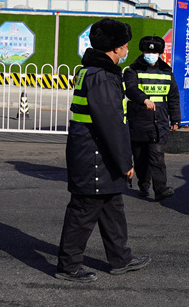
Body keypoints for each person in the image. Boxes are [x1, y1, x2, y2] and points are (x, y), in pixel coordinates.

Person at [56, 18, 150, 283]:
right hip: (95, 154)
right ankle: (69, 265)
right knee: (84, 208)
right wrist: (125, 162)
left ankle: (121, 258)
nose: (127, 50)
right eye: (125, 45)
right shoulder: (102, 77)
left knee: (112, 204)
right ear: (115, 48)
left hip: (92, 150)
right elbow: (109, 123)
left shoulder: (91, 71)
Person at [124, 35, 181, 201]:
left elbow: (173, 97)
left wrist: (176, 119)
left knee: (157, 156)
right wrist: (143, 99)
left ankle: (160, 189)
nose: (151, 54)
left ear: (160, 53)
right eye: (148, 51)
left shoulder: (167, 73)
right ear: (142, 52)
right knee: (140, 158)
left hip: (160, 122)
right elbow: (130, 89)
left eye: (155, 52)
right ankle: (143, 183)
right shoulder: (132, 71)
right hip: (139, 121)